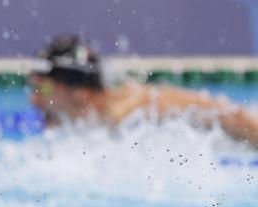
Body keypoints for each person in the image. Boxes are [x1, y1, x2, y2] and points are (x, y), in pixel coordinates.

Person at [28, 35, 258, 147]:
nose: (34, 98)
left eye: (42, 88)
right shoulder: (99, 123)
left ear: (80, 91)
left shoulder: (136, 109)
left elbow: (226, 113)